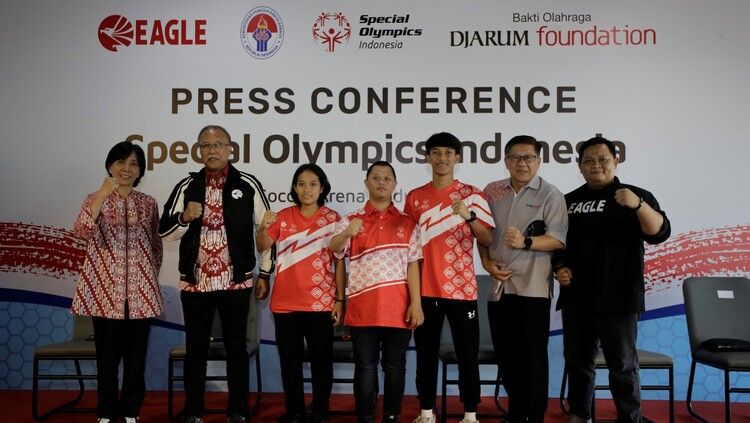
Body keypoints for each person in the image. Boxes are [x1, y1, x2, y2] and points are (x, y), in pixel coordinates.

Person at [159, 125, 274, 423]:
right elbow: (165, 232)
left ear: (230, 149)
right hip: (195, 283)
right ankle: (193, 410)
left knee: (237, 349)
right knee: (195, 349)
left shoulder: (246, 184)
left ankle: (237, 410)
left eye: (218, 144)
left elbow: (269, 231)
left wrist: (264, 274)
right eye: (206, 146)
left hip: (235, 281)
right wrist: (184, 217)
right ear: (199, 151)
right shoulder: (187, 186)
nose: (213, 150)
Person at [553, 136, 670, 423]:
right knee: (578, 362)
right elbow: (556, 243)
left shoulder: (635, 195)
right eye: (588, 161)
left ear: (616, 161)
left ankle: (630, 418)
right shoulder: (568, 201)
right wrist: (559, 267)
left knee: (623, 366)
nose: (596, 166)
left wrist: (638, 204)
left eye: (603, 159)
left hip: (619, 297)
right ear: (579, 166)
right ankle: (580, 414)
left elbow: (660, 232)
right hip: (578, 297)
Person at [71, 141, 164, 423]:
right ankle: (106, 413)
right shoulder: (94, 199)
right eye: (121, 162)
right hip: (104, 294)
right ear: (110, 166)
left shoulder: (148, 203)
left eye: (133, 163)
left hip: (140, 295)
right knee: (107, 360)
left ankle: (131, 411)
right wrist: (102, 193)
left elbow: (155, 247)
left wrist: (145, 277)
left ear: (140, 171)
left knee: (136, 360)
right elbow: (81, 231)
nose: (127, 168)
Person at [404, 132, 493, 423]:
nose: (442, 158)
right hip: (425, 291)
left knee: (468, 355)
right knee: (426, 355)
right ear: (428, 157)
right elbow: (407, 246)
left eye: (448, 153)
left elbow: (487, 238)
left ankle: (470, 414)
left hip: (462, 290)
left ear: (457, 157)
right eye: (436, 152)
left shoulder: (472, 194)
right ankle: (426, 412)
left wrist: (469, 216)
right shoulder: (415, 197)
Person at [479, 135, 568, 423]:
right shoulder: (492, 192)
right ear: (505, 160)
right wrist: (486, 261)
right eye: (515, 157)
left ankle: (535, 415)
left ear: (538, 161)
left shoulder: (550, 194)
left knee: (533, 358)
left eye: (528, 157)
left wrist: (526, 242)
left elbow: (557, 240)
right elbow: (481, 232)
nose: (522, 163)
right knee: (507, 356)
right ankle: (517, 412)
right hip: (499, 286)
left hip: (533, 288)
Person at [330, 161, 424, 423]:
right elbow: (335, 249)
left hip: (399, 308)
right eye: (376, 177)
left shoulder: (408, 223)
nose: (381, 182)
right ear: (366, 183)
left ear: (395, 184)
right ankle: (366, 416)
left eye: (387, 178)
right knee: (366, 367)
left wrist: (416, 303)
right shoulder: (351, 220)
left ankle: (392, 415)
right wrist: (348, 232)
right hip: (363, 309)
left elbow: (413, 264)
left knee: (395, 367)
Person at [255, 163, 345, 423]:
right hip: (285, 304)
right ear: (294, 188)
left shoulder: (333, 219)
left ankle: (320, 412)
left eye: (313, 184)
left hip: (320, 304)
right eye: (302, 184)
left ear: (322, 188)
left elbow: (339, 261)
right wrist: (263, 226)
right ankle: (294, 411)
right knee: (289, 362)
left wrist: (340, 299)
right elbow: (263, 245)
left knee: (321, 362)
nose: (307, 189)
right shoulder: (282, 216)